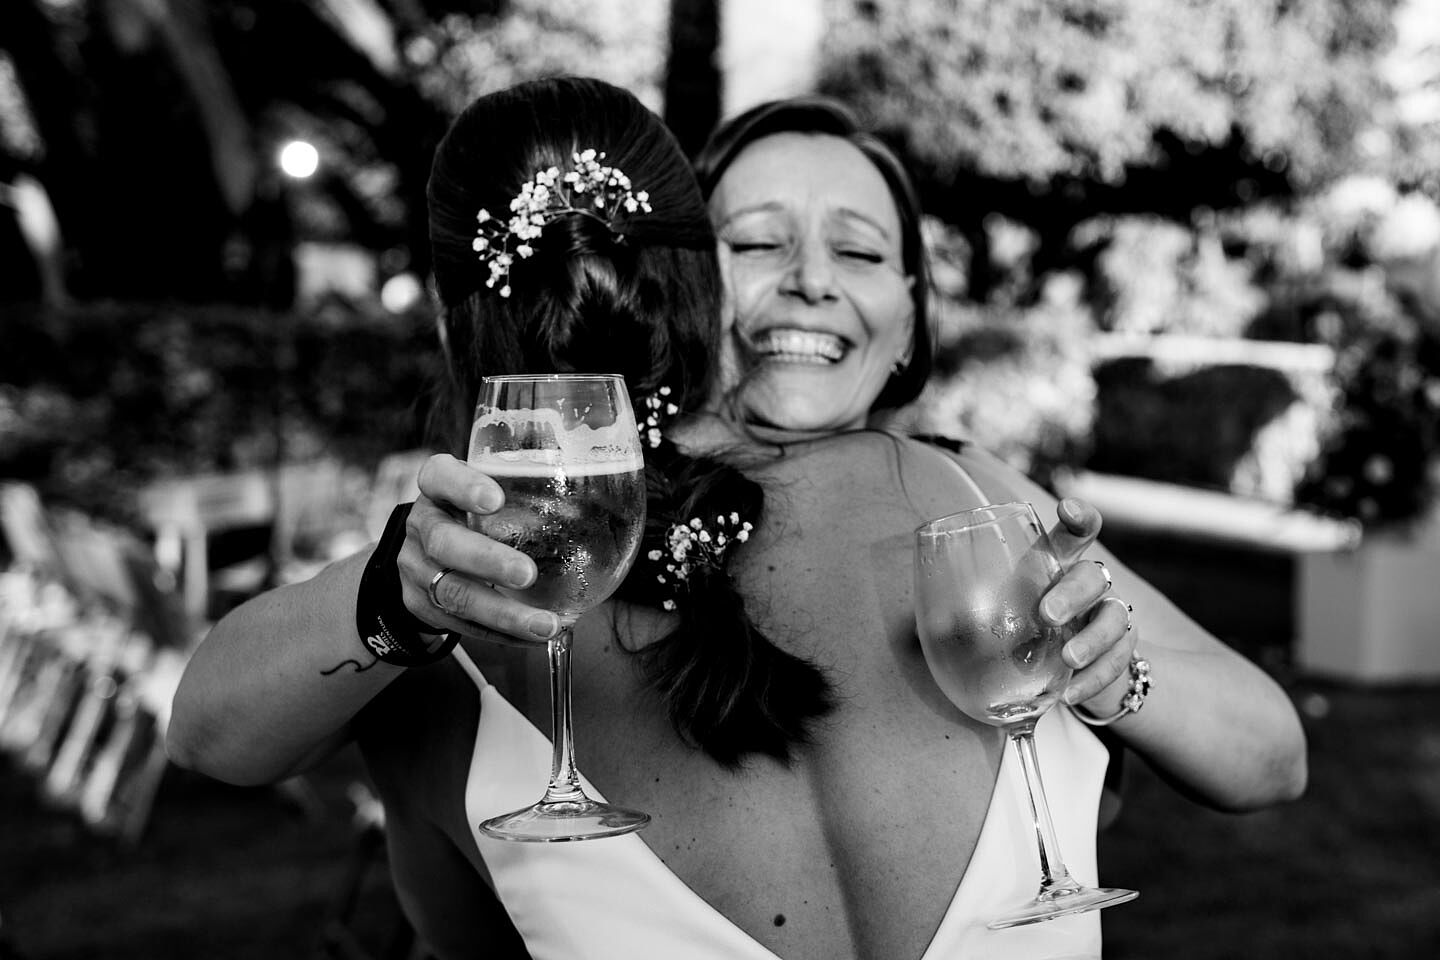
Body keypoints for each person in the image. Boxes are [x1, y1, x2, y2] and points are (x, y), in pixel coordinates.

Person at [167, 80, 1307, 960]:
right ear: (675, 285)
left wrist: (1119, 683)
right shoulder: (513, 547)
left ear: (910, 322)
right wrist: (394, 598)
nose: (811, 279)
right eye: (756, 240)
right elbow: (216, 729)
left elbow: (1271, 759)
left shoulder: (998, 515)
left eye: (860, 251)